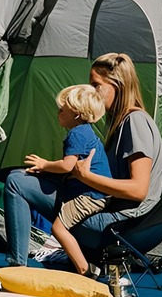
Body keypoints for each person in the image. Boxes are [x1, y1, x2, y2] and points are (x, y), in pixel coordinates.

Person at [1, 53, 162, 276]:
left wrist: (85, 177)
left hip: (118, 223)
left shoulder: (135, 122)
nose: (90, 91)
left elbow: (138, 190)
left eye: (96, 85)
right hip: (110, 209)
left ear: (117, 85)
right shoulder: (120, 121)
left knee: (16, 182)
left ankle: (16, 271)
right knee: (23, 176)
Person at [23, 85, 112, 278]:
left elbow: (66, 166)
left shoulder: (77, 133)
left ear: (77, 114)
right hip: (96, 193)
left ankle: (84, 269)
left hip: (91, 196)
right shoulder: (86, 131)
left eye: (63, 109)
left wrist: (44, 164)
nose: (58, 112)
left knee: (57, 228)